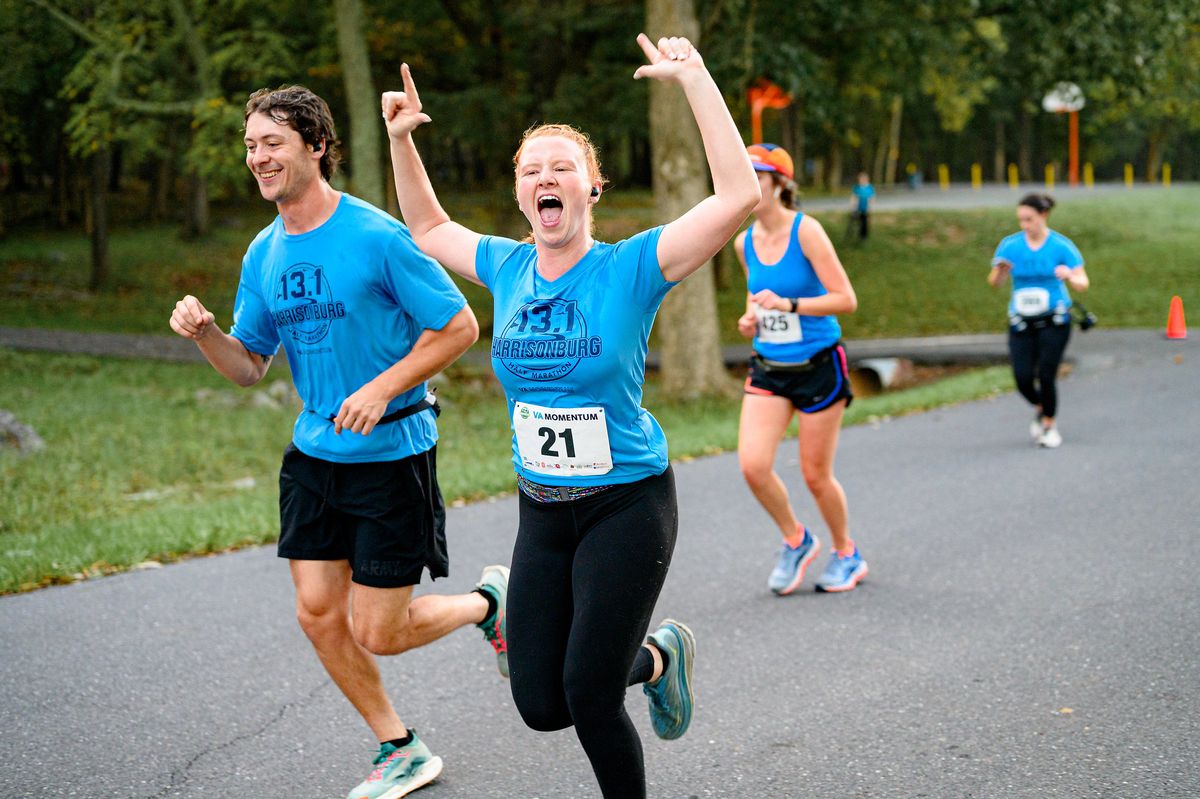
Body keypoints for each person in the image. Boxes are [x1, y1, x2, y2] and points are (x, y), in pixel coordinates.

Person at [382, 33, 759, 798]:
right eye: (531, 169)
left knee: (589, 695)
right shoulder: (506, 265)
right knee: (541, 701)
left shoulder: (632, 266)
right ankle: (655, 659)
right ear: (521, 194)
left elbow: (738, 197)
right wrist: (399, 141)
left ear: (592, 189)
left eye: (564, 168)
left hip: (627, 503)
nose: (546, 178)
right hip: (542, 511)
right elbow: (426, 226)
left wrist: (695, 81)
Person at [168, 85, 509, 799]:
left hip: (392, 451)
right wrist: (207, 336)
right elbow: (248, 365)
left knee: (379, 629)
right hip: (315, 456)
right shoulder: (263, 253)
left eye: (272, 143)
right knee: (319, 612)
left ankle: (488, 602)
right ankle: (399, 744)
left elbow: (458, 328)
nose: (258, 157)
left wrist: (383, 386)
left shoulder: (377, 236)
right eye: (251, 145)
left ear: (316, 146)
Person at [735, 143, 867, 595]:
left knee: (815, 474)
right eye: (744, 175)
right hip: (769, 367)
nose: (750, 184)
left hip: (818, 367)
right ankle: (796, 539)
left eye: (759, 176)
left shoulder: (806, 232)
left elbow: (845, 299)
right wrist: (751, 316)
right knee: (753, 466)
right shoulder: (744, 241)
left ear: (780, 184)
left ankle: (847, 552)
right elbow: (756, 297)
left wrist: (791, 304)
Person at [988, 192, 1089, 448]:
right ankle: (1042, 406)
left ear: (1043, 215)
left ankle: (1049, 426)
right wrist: (1000, 272)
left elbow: (1082, 283)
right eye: (1021, 220)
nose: (1025, 225)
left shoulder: (1061, 246)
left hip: (1054, 319)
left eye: (1029, 219)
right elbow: (994, 283)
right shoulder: (1010, 246)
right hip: (1021, 321)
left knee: (1046, 373)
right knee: (1022, 377)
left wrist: (1069, 275)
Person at [850, 171, 875, 240]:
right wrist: (853, 206)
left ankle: (864, 236)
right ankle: (857, 235)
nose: (862, 181)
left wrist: (870, 207)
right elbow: (854, 197)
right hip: (858, 208)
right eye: (861, 179)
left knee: (865, 222)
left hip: (866, 208)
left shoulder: (869, 188)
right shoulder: (857, 187)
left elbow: (872, 198)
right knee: (858, 222)